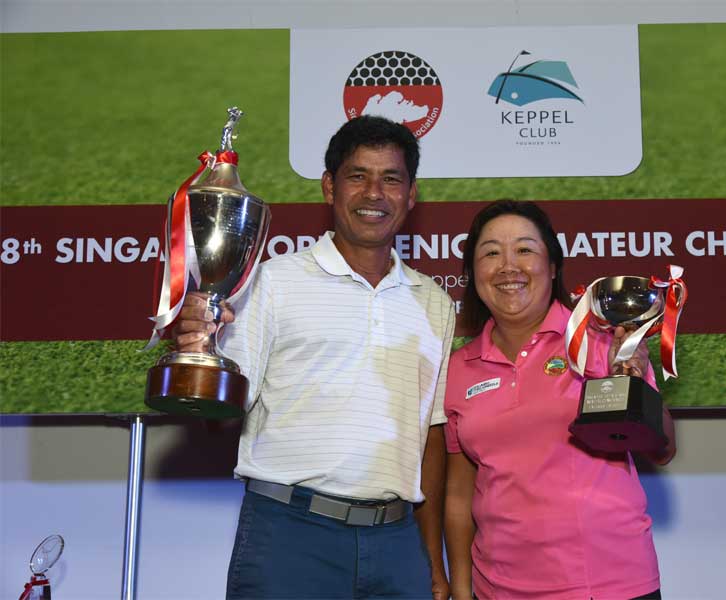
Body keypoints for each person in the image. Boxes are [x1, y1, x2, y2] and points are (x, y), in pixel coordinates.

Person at [172, 115, 454, 599]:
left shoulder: (435, 302)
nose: (374, 193)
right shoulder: (269, 283)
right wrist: (198, 353)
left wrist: (431, 557)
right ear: (329, 187)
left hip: (396, 542)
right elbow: (223, 414)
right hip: (289, 533)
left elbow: (430, 435)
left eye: (391, 179)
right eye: (357, 176)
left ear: (411, 195)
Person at [443, 200, 676, 600]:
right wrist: (462, 590)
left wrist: (635, 388)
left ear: (552, 267)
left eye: (525, 250)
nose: (508, 266)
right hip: (498, 589)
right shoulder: (459, 369)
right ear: (472, 273)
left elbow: (663, 449)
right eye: (491, 253)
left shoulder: (600, 341)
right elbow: (459, 497)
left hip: (608, 585)